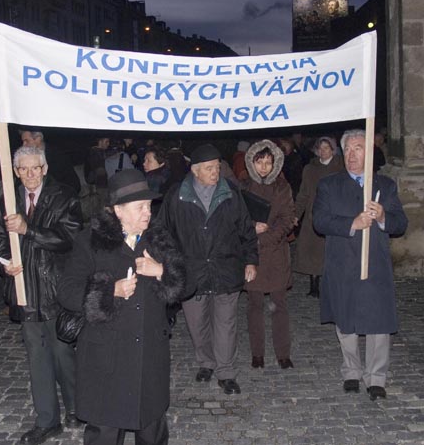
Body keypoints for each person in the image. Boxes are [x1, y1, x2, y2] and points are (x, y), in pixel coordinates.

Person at [57, 169, 187, 445]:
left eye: (149, 205)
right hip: (107, 358)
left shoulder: (158, 239)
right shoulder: (89, 241)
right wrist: (108, 291)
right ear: (118, 210)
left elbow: (190, 282)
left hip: (149, 356)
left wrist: (162, 270)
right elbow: (67, 291)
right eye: (140, 206)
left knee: (151, 430)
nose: (147, 212)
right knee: (105, 430)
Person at [0, 146, 83, 443]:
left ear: (44, 169)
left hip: (55, 290)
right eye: (23, 169)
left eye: (35, 168)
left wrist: (29, 229)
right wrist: (4, 264)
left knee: (63, 354)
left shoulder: (64, 196)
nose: (29, 175)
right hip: (24, 291)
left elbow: (70, 239)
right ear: (15, 172)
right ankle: (47, 419)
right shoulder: (6, 200)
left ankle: (77, 409)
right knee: (37, 359)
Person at [312, 129, 408, 401]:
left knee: (378, 321)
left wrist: (382, 217)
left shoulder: (385, 186)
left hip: (375, 264)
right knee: (346, 320)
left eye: (358, 148)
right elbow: (319, 221)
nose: (352, 155)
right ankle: (351, 371)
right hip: (342, 263)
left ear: (369, 152)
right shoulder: (329, 185)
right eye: (348, 149)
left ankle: (376, 377)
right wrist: (352, 224)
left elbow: (401, 223)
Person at [158, 144, 258, 395]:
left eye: (218, 167)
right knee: (197, 323)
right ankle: (206, 362)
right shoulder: (176, 196)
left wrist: (250, 260)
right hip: (191, 272)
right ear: (195, 171)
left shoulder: (231, 193)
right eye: (210, 168)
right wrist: (169, 263)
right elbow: (161, 233)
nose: (216, 172)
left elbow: (247, 230)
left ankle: (226, 372)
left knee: (226, 324)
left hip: (226, 268)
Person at [242, 140, 296, 369]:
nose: (263, 167)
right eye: (259, 162)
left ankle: (283, 353)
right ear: (252, 162)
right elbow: (237, 218)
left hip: (275, 253)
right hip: (251, 254)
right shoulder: (243, 187)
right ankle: (257, 353)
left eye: (268, 162)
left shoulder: (282, 187)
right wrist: (251, 229)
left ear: (275, 164)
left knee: (278, 304)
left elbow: (287, 219)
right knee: (254, 305)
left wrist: (265, 237)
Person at [293, 137, 344, 298]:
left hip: (334, 213)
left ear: (332, 149)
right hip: (313, 214)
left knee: (331, 251)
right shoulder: (310, 169)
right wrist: (296, 214)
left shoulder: (340, 168)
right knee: (312, 251)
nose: (323, 151)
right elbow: (303, 194)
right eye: (320, 148)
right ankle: (314, 284)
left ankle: (331, 283)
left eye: (326, 148)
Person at [20, 129, 81, 194]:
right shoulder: (24, 160)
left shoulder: (57, 156)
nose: (23, 145)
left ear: (38, 139)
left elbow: (74, 185)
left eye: (26, 141)